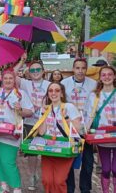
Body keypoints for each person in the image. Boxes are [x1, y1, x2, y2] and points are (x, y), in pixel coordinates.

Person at [0, 68, 34, 193]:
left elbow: (30, 111)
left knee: (8, 162)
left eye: (11, 78)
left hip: (10, 135)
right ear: (2, 80)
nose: (8, 80)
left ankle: (16, 187)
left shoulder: (20, 94)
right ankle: (4, 185)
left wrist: (20, 110)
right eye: (6, 78)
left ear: (14, 79)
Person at [14, 55, 51, 191]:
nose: (35, 72)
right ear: (29, 72)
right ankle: (32, 175)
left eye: (38, 70)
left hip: (46, 123)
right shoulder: (25, 83)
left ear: (43, 71)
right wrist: (22, 61)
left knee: (47, 151)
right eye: (33, 70)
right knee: (32, 152)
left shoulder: (49, 85)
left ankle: (48, 177)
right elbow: (11, 74)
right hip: (29, 122)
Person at [37, 82, 82, 193]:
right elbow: (41, 132)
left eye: (57, 90)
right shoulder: (45, 109)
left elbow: (79, 129)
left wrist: (66, 118)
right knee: (46, 180)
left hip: (64, 148)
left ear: (62, 94)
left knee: (58, 181)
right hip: (47, 149)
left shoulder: (69, 107)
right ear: (47, 94)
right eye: (50, 91)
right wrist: (43, 115)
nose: (53, 93)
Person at [61, 58, 97, 193]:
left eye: (83, 68)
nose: (80, 71)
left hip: (86, 128)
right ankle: (69, 188)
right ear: (73, 69)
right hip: (70, 128)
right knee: (68, 161)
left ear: (86, 69)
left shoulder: (94, 84)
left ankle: (85, 188)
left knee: (87, 163)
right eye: (77, 68)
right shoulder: (64, 83)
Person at [85, 66, 116, 193]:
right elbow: (90, 114)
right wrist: (86, 130)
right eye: (104, 75)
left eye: (110, 74)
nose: (107, 77)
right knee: (106, 169)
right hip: (102, 136)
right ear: (100, 78)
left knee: (115, 169)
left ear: (114, 76)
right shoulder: (94, 95)